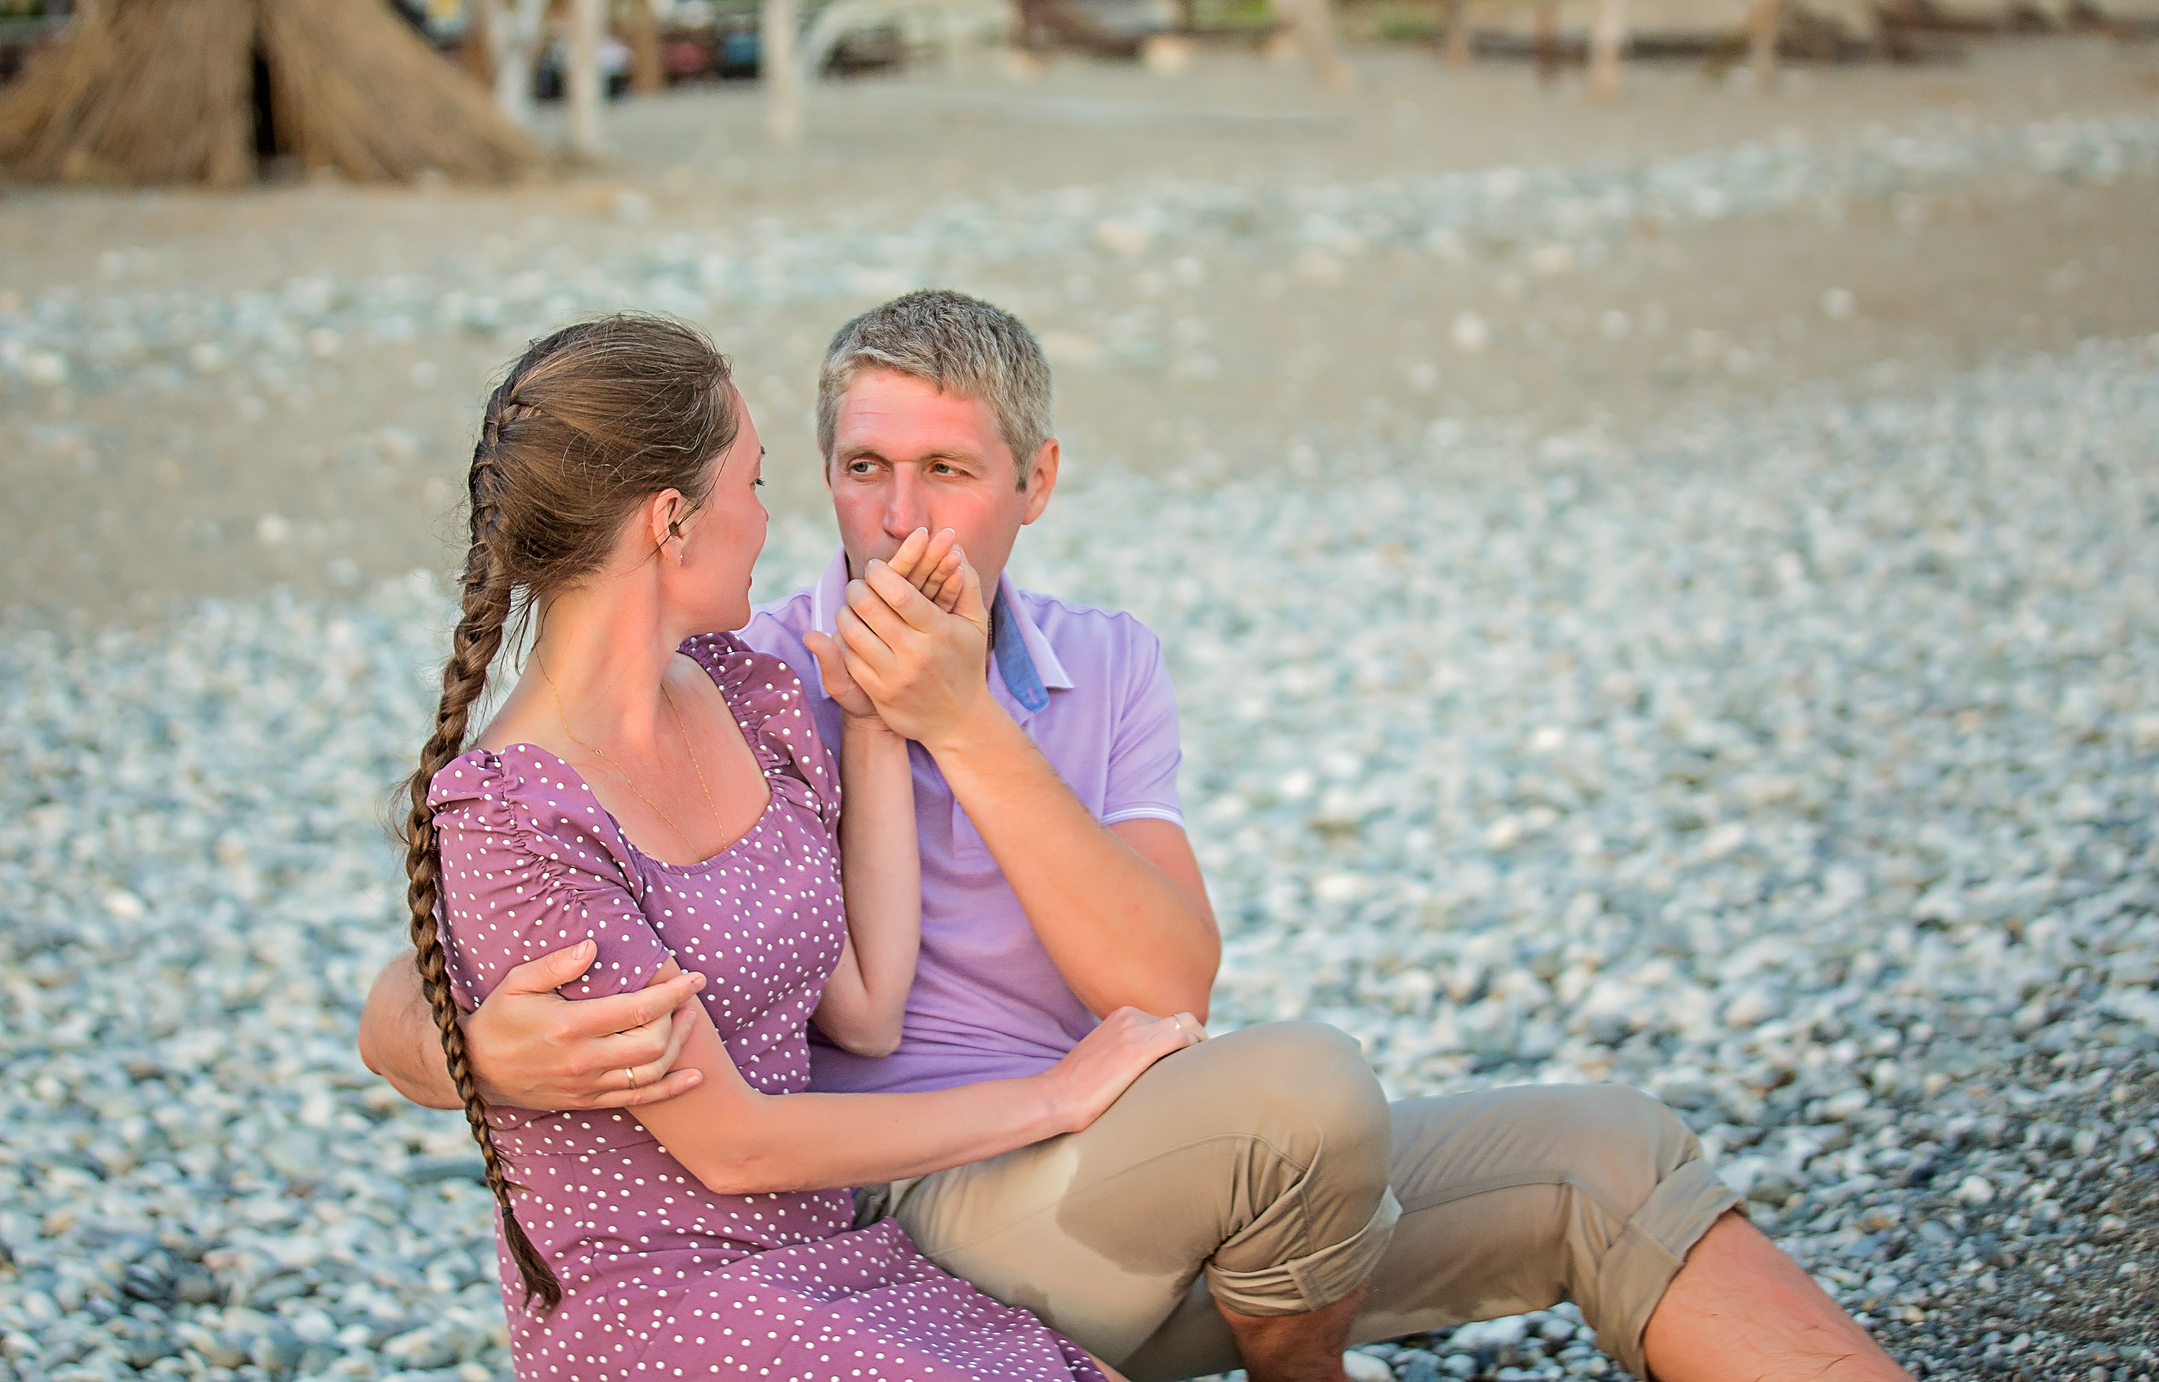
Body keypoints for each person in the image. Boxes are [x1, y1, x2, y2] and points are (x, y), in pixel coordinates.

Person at [366, 292, 1913, 1382]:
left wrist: (958, 718)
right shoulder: (752, 665)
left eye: (949, 472)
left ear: (1036, 483)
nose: (895, 520)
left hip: (1128, 1165)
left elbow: (1165, 982)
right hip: (912, 1208)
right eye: (855, 469)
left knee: (1600, 1145)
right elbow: (428, 976)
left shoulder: (1093, 668)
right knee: (1302, 1100)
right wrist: (497, 1052)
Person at [394, 312, 1207, 1382]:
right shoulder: (516, 810)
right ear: (672, 522)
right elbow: (730, 1145)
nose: (777, 526)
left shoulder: (749, 689)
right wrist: (1056, 1097)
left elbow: (864, 1007)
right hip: (664, 1299)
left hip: (823, 1251)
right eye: (759, 485)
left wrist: (875, 721)